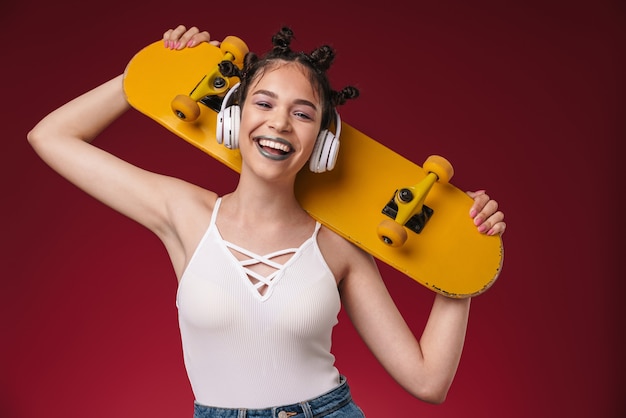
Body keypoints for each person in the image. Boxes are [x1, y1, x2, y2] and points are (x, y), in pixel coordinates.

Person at [28, 25, 506, 417]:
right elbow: (51, 137)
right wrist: (148, 70)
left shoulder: (339, 246)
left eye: (302, 113)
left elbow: (427, 381)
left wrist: (462, 262)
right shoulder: (184, 212)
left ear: (323, 143)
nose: (279, 123)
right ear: (232, 117)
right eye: (264, 103)